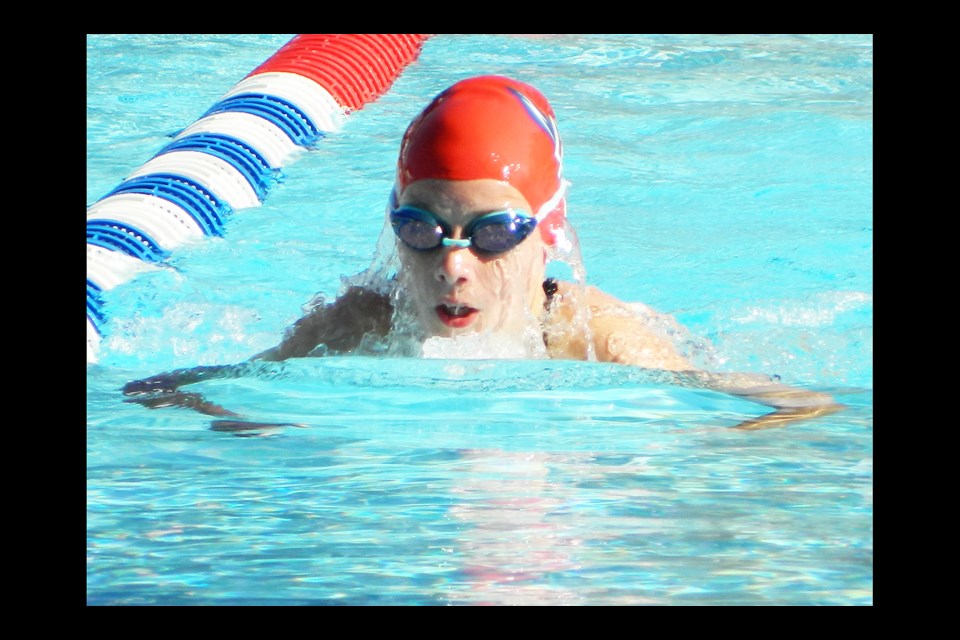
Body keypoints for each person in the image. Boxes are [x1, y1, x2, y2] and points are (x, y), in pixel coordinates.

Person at [123, 75, 843, 431]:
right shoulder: (360, 323)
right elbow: (175, 389)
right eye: (422, 229)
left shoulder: (589, 339)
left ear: (549, 232)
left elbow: (796, 404)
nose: (454, 265)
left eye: (494, 233)